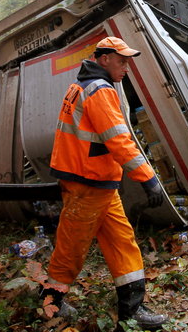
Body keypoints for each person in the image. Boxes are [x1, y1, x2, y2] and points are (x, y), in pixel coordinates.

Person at [43, 36, 168, 329]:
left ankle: (133, 308)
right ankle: (50, 302)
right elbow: (118, 140)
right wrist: (148, 178)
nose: (126, 68)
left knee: (122, 241)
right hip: (87, 184)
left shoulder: (83, 86)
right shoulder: (99, 90)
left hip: (96, 183)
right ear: (104, 59)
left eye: (127, 62)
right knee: (71, 247)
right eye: (122, 61)